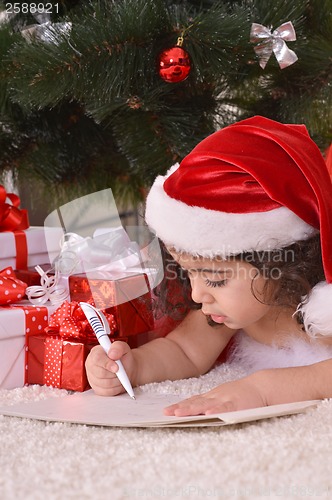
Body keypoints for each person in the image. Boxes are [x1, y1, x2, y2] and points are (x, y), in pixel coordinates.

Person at [85, 115, 332, 416]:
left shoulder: (320, 312)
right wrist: (134, 366)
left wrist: (264, 389)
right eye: (189, 275)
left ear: (280, 265)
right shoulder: (227, 311)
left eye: (215, 280)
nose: (197, 296)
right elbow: (185, 350)